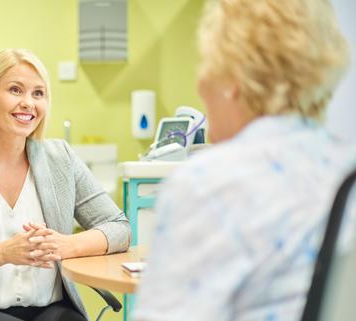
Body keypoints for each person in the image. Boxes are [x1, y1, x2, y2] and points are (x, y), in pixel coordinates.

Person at [134, 0, 355, 320]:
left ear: (233, 77)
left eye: (205, 64)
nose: (200, 84)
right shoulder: (345, 167)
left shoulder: (205, 184)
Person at [0, 48, 130, 321]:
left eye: (38, 93)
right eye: (16, 90)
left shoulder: (60, 159)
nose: (28, 103)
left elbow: (119, 228)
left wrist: (65, 245)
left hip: (52, 309)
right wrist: (3, 253)